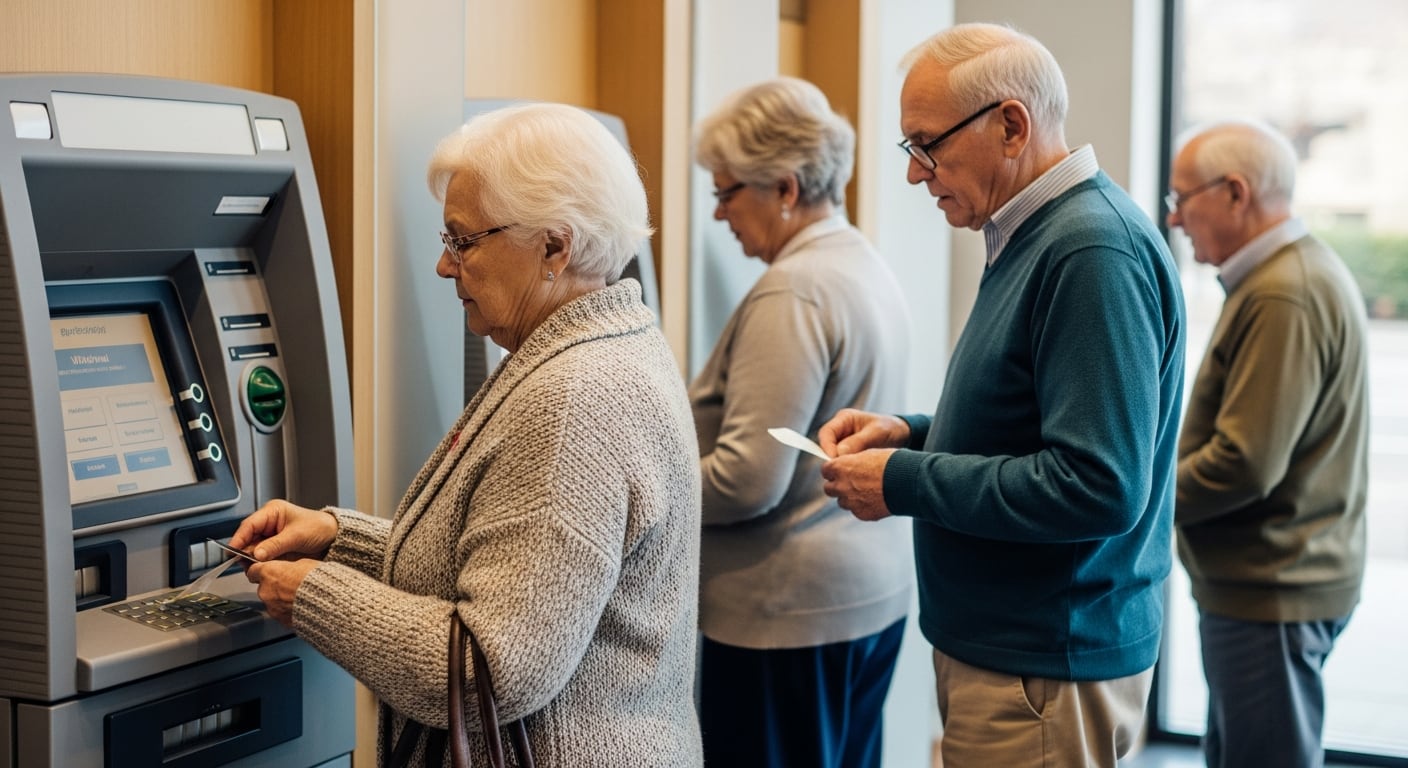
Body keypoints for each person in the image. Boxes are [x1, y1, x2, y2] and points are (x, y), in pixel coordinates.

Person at [229, 103, 704, 767]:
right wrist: (340, 540)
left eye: (463, 241)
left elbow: (492, 666)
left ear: (554, 246)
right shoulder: (603, 347)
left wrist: (315, 595)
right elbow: (517, 568)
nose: (444, 268)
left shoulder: (575, 400)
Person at [817, 23, 1186, 767]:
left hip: (1045, 660)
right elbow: (1035, 423)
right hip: (1024, 651)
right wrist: (914, 434)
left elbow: (1098, 485)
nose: (918, 173)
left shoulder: (1088, 249)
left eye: (928, 144)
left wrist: (904, 481)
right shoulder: (1037, 232)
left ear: (1011, 125)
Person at [689, 76, 913, 768]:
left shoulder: (793, 289)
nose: (720, 213)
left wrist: (633, 501)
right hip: (863, 595)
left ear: (785, 188)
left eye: (729, 192)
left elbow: (746, 478)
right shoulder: (860, 260)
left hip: (783, 613)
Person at [1168, 120, 1369, 768]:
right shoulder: (1278, 278)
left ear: (1235, 193)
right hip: (1266, 584)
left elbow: (1244, 463)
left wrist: (1130, 500)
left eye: (1181, 199)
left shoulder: (1285, 291)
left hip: (1272, 587)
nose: (1174, 219)